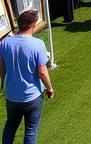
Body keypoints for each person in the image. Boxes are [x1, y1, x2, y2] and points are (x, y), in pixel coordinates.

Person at [0, 9, 53, 142]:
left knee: (10, 126)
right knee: (31, 130)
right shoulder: (37, 44)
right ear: (32, 25)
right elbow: (42, 71)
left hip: (11, 95)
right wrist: (50, 89)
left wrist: (4, 84)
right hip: (31, 96)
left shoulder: (4, 43)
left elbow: (2, 68)